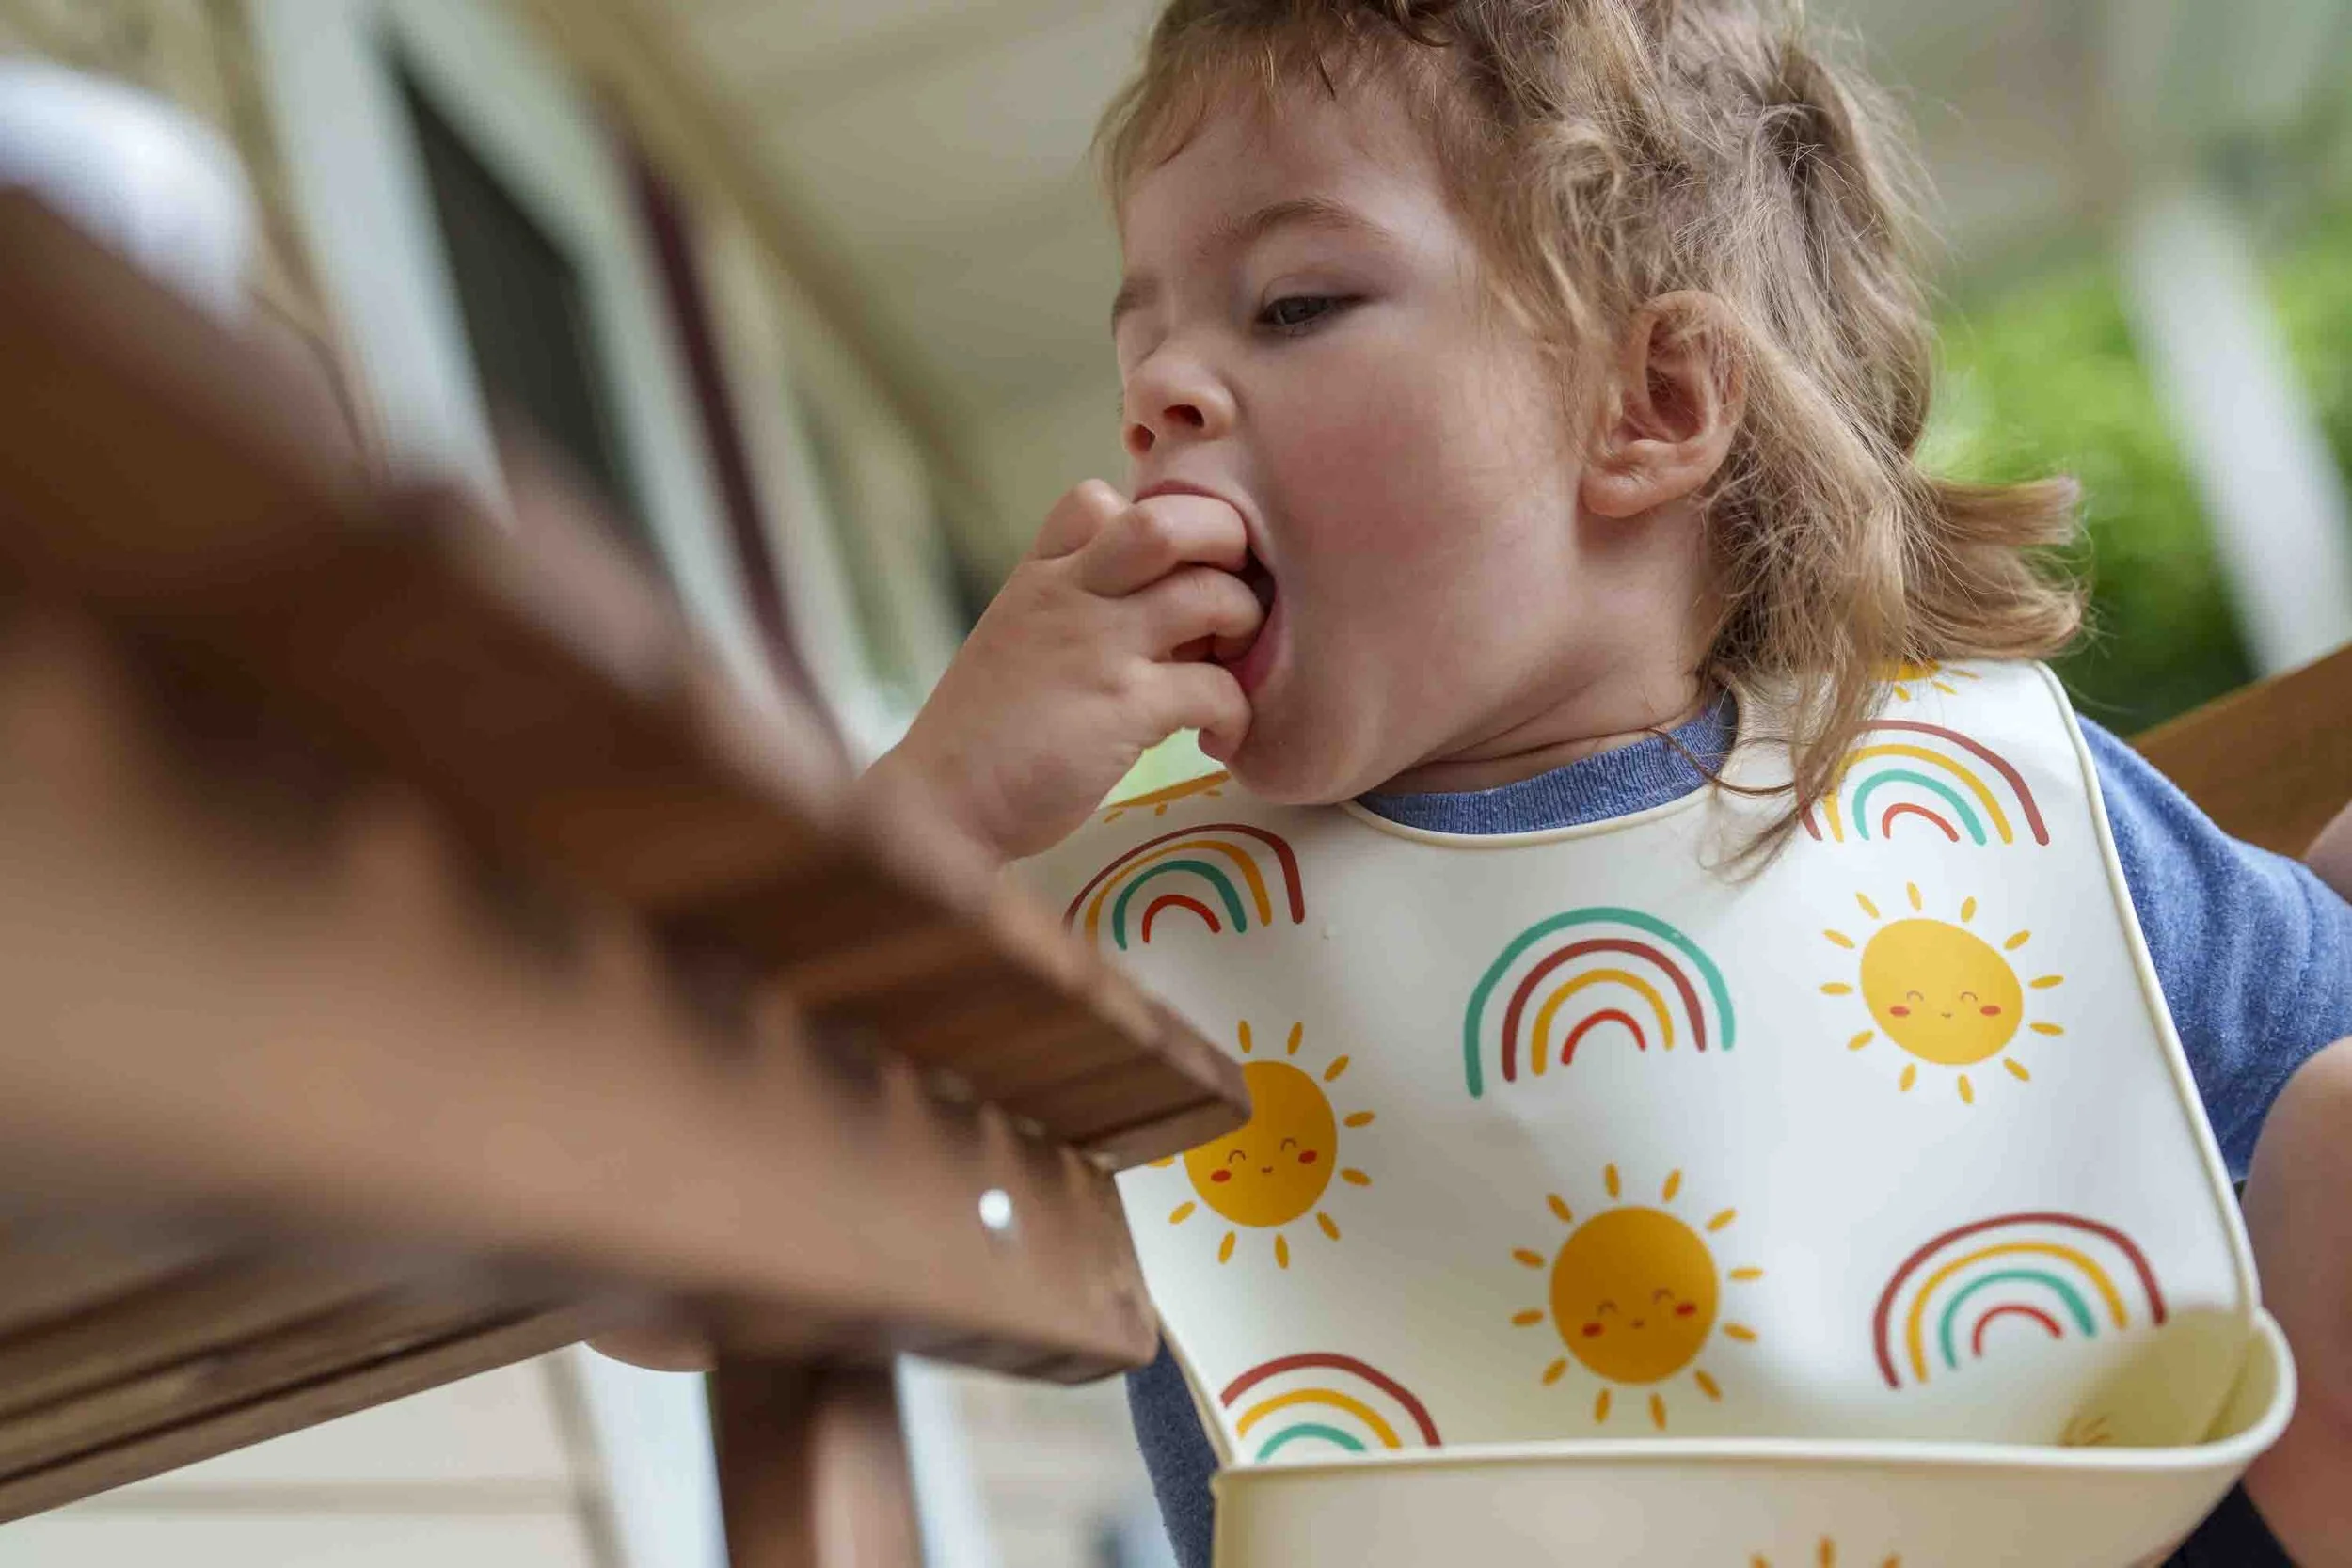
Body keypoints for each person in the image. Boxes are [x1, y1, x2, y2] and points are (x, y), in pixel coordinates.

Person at [625, 1, 2352, 1560]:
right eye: (1137, 342)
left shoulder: (1979, 814)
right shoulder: (1121, 956)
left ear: (1652, 403)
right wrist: (929, 818)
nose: (1156, 394)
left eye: (1295, 301)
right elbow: (646, 1263)